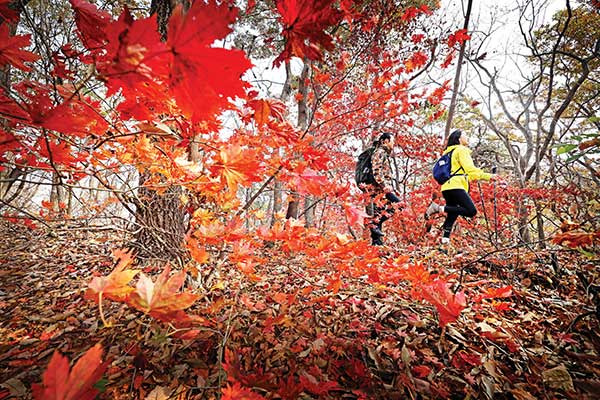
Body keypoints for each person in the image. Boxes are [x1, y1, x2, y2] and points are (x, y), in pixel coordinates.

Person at [425, 129, 497, 252]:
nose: (467, 137)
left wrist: (479, 176)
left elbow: (467, 174)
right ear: (459, 139)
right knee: (471, 211)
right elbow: (470, 170)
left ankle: (444, 245)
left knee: (452, 216)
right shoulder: (461, 150)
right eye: (465, 135)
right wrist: (489, 176)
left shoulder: (448, 153)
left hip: (446, 187)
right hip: (456, 186)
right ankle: (437, 208)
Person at [366, 132, 401, 246]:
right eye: (392, 141)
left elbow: (385, 173)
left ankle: (377, 243)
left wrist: (392, 187)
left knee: (379, 213)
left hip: (382, 189)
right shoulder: (380, 152)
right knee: (399, 205)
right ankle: (374, 227)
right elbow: (377, 171)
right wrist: (384, 185)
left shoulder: (384, 154)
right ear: (384, 141)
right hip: (379, 190)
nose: (393, 144)